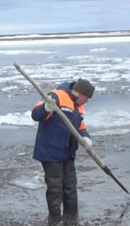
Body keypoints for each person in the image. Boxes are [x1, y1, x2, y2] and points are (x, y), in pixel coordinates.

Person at [31, 78, 95, 217]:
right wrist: (46, 108)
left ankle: (71, 217)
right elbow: (36, 114)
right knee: (55, 188)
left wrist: (85, 137)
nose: (87, 101)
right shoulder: (56, 96)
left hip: (68, 152)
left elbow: (79, 126)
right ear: (80, 94)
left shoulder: (78, 106)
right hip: (51, 151)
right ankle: (54, 220)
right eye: (87, 98)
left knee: (70, 187)